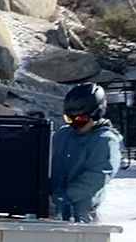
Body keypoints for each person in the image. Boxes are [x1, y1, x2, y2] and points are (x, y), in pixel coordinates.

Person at [51, 82, 123, 223]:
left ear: (96, 114)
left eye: (81, 119)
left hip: (82, 213)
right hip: (55, 209)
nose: (75, 124)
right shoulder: (64, 135)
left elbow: (98, 175)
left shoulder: (105, 140)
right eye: (69, 118)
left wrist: (65, 195)